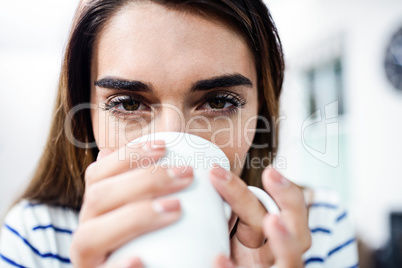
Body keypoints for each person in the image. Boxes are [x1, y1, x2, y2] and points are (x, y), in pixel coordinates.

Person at [0, 0, 359, 267]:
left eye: (219, 101)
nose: (173, 140)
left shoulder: (320, 229)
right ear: (87, 117)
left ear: (261, 110)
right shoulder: (35, 236)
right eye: (127, 104)